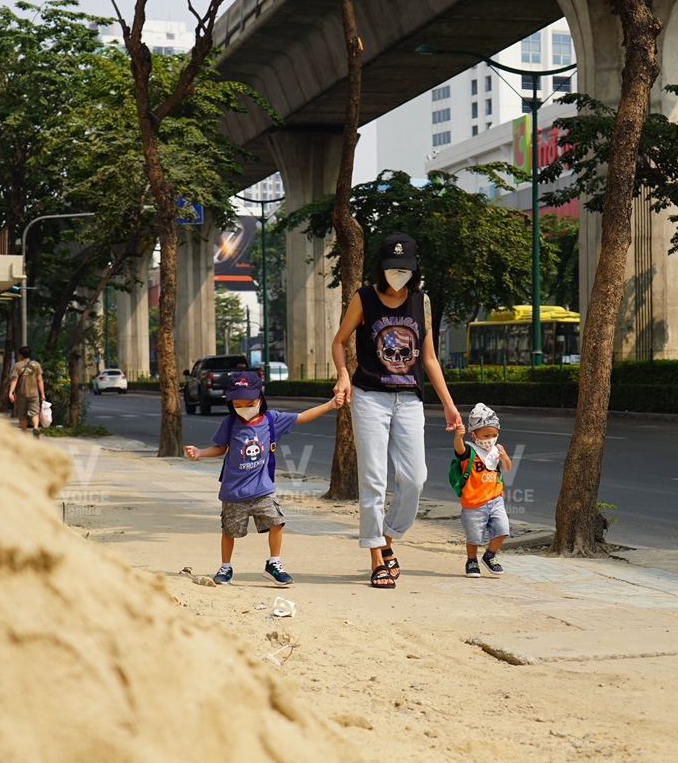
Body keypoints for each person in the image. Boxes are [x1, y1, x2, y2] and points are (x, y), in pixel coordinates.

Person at [331, 233, 462, 590]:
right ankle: (376, 557)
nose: (397, 275)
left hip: (409, 399)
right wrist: (344, 375)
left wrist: (449, 405)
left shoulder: (423, 302)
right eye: (392, 268)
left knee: (415, 478)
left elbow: (429, 358)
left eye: (404, 269)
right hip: (370, 396)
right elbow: (339, 341)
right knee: (373, 479)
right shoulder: (364, 298)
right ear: (381, 268)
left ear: (414, 269)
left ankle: (386, 538)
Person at [185, 371, 343, 587]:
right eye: (238, 404)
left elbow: (302, 417)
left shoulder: (272, 419)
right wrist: (200, 452)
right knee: (229, 532)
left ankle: (274, 564)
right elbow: (220, 447)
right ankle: (225, 568)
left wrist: (330, 405)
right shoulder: (230, 422)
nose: (244, 409)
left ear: (260, 397)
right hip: (233, 492)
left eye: (249, 403)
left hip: (262, 489)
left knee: (276, 522)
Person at [450, 403, 512, 578]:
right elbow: (459, 449)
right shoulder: (469, 451)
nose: (490, 439)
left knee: (502, 529)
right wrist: (458, 437)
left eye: (494, 435)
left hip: (495, 499)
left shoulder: (495, 451)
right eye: (486, 435)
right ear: (473, 434)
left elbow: (507, 469)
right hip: (473, 503)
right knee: (474, 537)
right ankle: (471, 561)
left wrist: (505, 457)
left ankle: (490, 556)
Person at [7, 346, 45, 438]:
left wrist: (10, 392)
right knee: (34, 413)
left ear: (21, 355)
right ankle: (35, 427)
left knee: (22, 414)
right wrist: (42, 393)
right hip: (34, 393)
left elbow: (14, 379)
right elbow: (39, 380)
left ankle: (24, 434)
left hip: (21, 394)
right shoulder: (36, 365)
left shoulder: (17, 365)